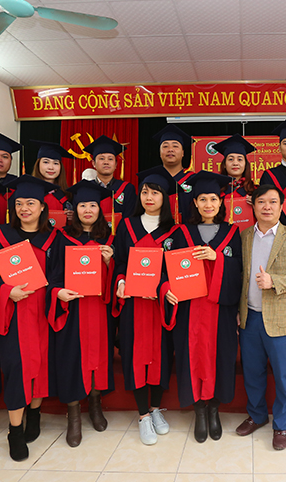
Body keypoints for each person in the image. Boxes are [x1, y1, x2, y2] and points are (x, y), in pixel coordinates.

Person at [235, 184, 286, 450]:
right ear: (253, 206)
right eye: (261, 202)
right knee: (252, 372)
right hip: (249, 317)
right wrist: (238, 310)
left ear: (281, 206)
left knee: (282, 376)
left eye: (272, 202)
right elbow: (240, 276)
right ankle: (257, 415)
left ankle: (281, 424)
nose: (266, 207)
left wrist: (275, 281)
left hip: (281, 319)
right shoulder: (245, 236)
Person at [165, 171, 242, 443]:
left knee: (221, 357)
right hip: (190, 311)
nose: (209, 204)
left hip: (221, 310)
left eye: (213, 199)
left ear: (221, 203)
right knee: (192, 358)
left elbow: (240, 272)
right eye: (203, 199)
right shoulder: (181, 233)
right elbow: (167, 270)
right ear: (195, 203)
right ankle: (199, 410)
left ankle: (214, 410)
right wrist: (167, 289)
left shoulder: (233, 233)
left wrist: (217, 258)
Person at [46, 180, 115, 447]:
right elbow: (52, 276)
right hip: (72, 309)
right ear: (75, 209)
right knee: (71, 358)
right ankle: (73, 415)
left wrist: (109, 262)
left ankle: (95, 405)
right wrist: (58, 292)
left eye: (93, 205)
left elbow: (120, 277)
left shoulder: (109, 239)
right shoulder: (61, 238)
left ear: (100, 209)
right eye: (83, 205)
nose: (88, 210)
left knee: (99, 357)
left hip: (98, 309)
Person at [113, 166, 177, 446]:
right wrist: (120, 281)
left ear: (165, 198)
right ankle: (143, 415)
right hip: (134, 306)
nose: (149, 197)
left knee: (162, 355)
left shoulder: (175, 231)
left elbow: (177, 270)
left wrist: (161, 287)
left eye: (155, 193)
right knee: (135, 355)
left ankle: (155, 409)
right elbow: (120, 262)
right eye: (145, 192)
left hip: (160, 306)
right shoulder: (127, 226)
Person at [0, 175, 58, 461]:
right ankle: (15, 431)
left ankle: (34, 415)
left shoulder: (54, 239)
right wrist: (6, 291)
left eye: (31, 203)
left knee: (41, 365)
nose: (24, 208)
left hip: (44, 314)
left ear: (42, 207)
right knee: (17, 369)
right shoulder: (1, 236)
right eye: (19, 203)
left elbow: (60, 276)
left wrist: (60, 292)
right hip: (13, 315)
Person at [84, 135, 137, 220]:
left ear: (116, 164)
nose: (106, 162)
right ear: (93, 163)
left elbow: (130, 218)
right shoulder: (86, 189)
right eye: (101, 158)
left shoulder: (127, 189)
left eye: (110, 159)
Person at [153, 124, 196, 223]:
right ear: (160, 153)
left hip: (188, 230)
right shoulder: (152, 180)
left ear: (183, 153)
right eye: (165, 146)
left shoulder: (193, 180)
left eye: (175, 146)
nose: (170, 149)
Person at [30, 140, 75, 221]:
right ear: (38, 164)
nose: (51, 167)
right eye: (46, 162)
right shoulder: (29, 193)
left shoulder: (67, 196)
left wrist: (73, 218)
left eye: (56, 163)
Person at [216, 134, 257, 199]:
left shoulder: (255, 190)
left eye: (240, 159)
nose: (235, 163)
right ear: (224, 165)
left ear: (245, 164)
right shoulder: (216, 189)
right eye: (231, 159)